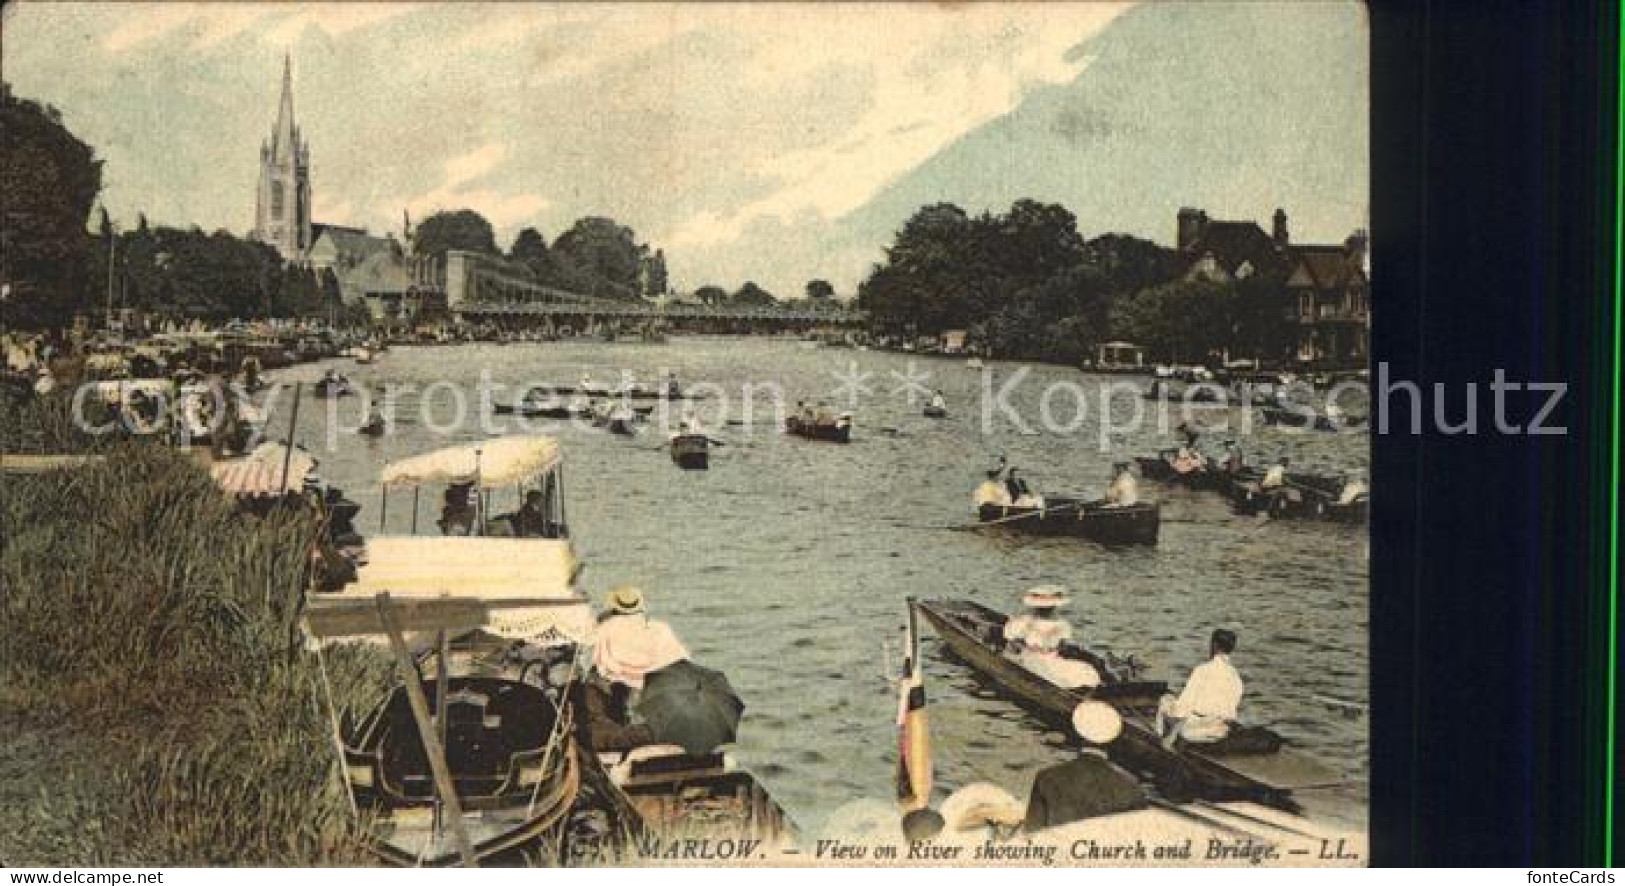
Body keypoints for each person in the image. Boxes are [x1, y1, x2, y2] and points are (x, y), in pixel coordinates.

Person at [1023, 702, 1147, 831]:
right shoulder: (1132, 790)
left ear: (1079, 736)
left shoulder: (1046, 778)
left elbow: (1031, 833)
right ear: (1113, 741)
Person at [591, 586, 690, 721]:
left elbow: (599, 660)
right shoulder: (658, 628)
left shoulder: (607, 627)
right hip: (651, 682)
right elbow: (678, 658)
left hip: (618, 682)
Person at [1156, 629, 1245, 748]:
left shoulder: (1202, 670)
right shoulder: (1235, 676)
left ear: (1214, 645)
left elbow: (1182, 710)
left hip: (1196, 730)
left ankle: (1160, 741)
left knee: (1165, 700)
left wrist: (1172, 716)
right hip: (1221, 730)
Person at [1002, 586, 1099, 689]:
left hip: (1046, 658)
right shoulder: (1028, 622)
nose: (1047, 610)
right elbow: (1013, 642)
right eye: (1046, 608)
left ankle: (1073, 687)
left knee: (1071, 670)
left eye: (1048, 608)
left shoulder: (1059, 624)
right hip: (1034, 657)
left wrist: (1051, 648)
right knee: (1046, 669)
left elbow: (1063, 646)